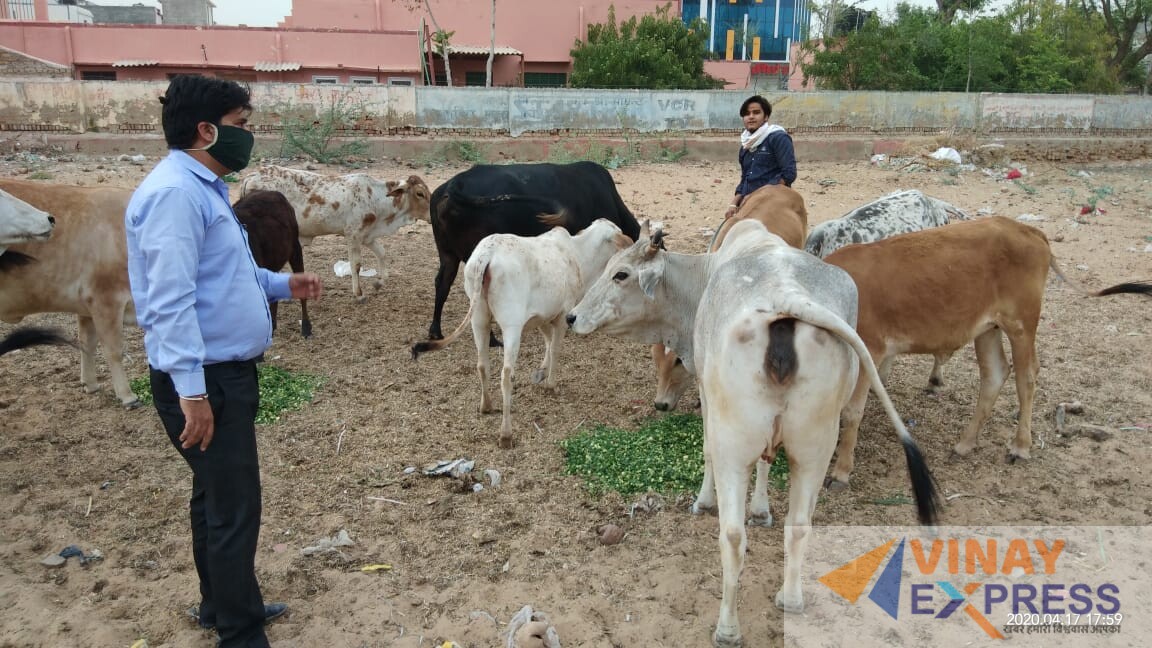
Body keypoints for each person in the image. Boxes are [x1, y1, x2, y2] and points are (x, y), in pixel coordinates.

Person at [125, 74, 322, 648]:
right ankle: (240, 632)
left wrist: (285, 286)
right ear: (206, 130)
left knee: (214, 495)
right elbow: (170, 302)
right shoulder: (175, 197)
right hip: (206, 379)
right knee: (235, 506)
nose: (248, 136)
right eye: (240, 125)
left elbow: (227, 277)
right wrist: (192, 393)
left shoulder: (204, 189)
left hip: (218, 374)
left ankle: (223, 603)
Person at [725, 95, 797, 220]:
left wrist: (756, 196)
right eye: (747, 114)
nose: (751, 116)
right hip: (748, 204)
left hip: (774, 202)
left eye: (756, 112)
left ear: (766, 117)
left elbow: (788, 174)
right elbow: (745, 179)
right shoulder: (746, 146)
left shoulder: (778, 138)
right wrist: (733, 203)